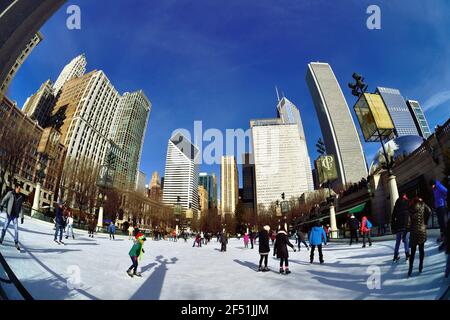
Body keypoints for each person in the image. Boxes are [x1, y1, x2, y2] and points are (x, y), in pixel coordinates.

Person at [408, 196, 432, 277]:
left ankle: (410, 268)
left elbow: (408, 222)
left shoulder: (410, 208)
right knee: (421, 249)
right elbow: (429, 211)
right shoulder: (423, 205)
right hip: (422, 229)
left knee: (413, 251)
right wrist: (425, 222)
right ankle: (420, 266)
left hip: (414, 231)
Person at [0, 183, 25, 250]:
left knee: (16, 230)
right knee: (5, 227)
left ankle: (16, 242)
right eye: (19, 189)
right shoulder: (10, 193)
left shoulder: (20, 197)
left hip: (15, 216)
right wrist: (2, 205)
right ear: (16, 188)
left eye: (20, 189)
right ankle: (1, 238)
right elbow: (5, 199)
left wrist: (22, 217)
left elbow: (21, 207)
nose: (20, 190)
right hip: (9, 214)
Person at [391, 194, 411, 262]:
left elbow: (393, 217)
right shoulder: (407, 203)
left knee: (398, 242)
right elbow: (410, 213)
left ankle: (395, 255)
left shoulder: (396, 205)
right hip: (405, 225)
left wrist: (393, 227)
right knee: (406, 240)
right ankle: (407, 255)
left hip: (398, 226)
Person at [431, 179, 448, 251]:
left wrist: (444, 200)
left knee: (443, 222)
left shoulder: (439, 186)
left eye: (432, 185)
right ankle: (443, 236)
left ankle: (446, 239)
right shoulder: (434, 188)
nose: (432, 187)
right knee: (441, 223)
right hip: (438, 207)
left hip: (442, 206)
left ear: (434, 183)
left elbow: (446, 192)